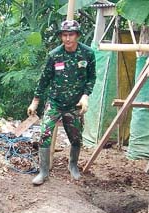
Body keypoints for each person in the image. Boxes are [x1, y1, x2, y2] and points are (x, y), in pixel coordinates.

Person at [27, 19, 97, 185]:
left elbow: (92, 78)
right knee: (44, 134)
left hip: (75, 104)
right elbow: (44, 80)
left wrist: (86, 96)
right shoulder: (55, 55)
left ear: (77, 35)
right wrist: (35, 101)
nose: (67, 38)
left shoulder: (87, 54)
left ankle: (73, 165)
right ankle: (43, 171)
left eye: (71, 35)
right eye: (64, 35)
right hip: (55, 102)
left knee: (76, 137)